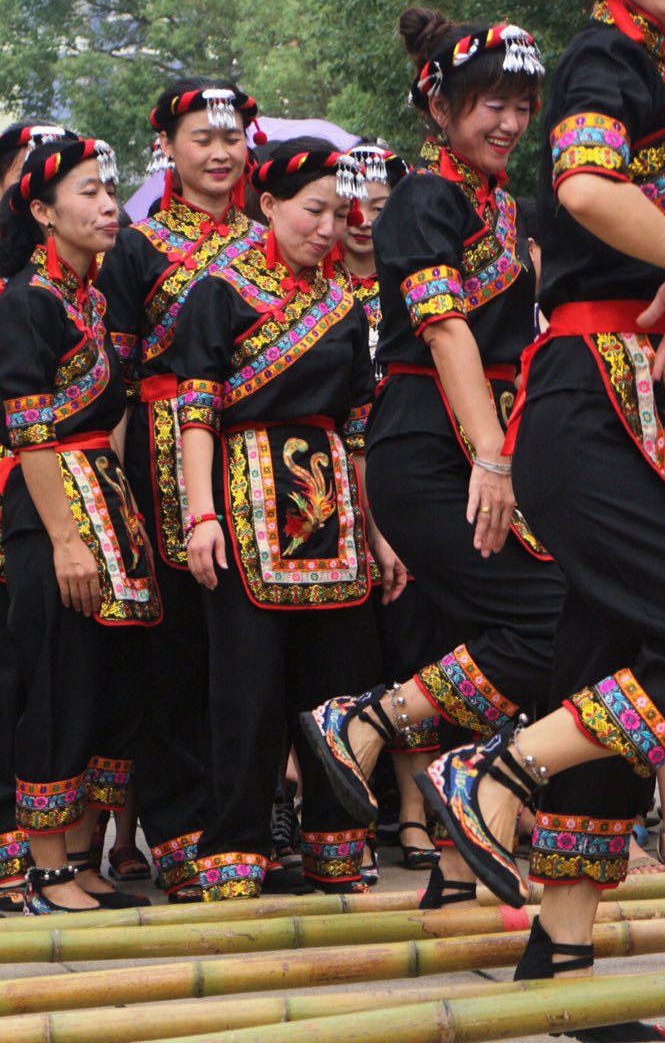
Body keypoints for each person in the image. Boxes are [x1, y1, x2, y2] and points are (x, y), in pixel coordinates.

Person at [406, 0, 665, 1043]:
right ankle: (491, 770)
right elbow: (585, 193)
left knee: (617, 681)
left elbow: (629, 250)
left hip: (626, 396)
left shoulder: (653, 67)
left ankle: (563, 977)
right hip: (584, 405)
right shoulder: (603, 56)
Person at [303, 8, 567, 914]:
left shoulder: (502, 203)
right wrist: (492, 459)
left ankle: (457, 872)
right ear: (441, 107)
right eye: (490, 103)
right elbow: (446, 327)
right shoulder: (425, 198)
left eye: (521, 105)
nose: (508, 122)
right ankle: (369, 721)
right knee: (550, 615)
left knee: (496, 637)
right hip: (428, 442)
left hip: (488, 436)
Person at [169, 138, 402, 900]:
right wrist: (200, 516)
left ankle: (337, 840)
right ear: (267, 205)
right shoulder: (220, 291)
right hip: (245, 505)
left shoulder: (343, 302)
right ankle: (237, 842)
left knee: (343, 681)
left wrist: (377, 531)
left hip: (333, 509)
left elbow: (359, 427)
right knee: (246, 685)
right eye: (314, 212)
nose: (329, 228)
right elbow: (194, 412)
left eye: (339, 213)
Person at [95, 79, 268, 900]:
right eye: (203, 138)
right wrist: (120, 498)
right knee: (174, 648)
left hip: (255, 459)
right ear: (168, 145)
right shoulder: (134, 247)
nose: (221, 153)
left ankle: (247, 819)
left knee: (247, 647)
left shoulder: (271, 239)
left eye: (232, 138)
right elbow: (118, 378)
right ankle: (178, 828)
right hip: (159, 454)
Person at [0, 136, 161, 914]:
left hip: (109, 500)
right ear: (41, 211)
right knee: (58, 680)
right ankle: (47, 867)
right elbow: (30, 431)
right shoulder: (27, 300)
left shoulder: (93, 299)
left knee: (111, 683)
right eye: (90, 193)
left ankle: (88, 856)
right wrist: (66, 538)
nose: (108, 205)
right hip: (52, 505)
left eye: (110, 191)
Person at [342, 140, 443, 873]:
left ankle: (416, 811)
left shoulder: (425, 289)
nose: (360, 221)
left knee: (420, 647)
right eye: (346, 207)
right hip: (326, 500)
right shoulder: (305, 295)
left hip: (413, 487)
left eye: (379, 209)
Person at [0, 121, 78, 911]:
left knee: (28, 671)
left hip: (29, 486)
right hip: (26, 483)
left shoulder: (57, 290)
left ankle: (44, 859)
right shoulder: (28, 294)